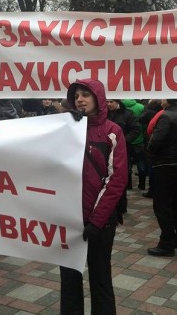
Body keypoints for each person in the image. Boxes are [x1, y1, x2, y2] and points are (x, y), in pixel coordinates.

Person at [60, 79, 127, 315]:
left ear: (98, 98)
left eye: (86, 94)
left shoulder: (112, 131)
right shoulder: (66, 129)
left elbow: (116, 179)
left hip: (101, 222)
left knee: (100, 278)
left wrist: (96, 221)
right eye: (76, 95)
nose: (80, 99)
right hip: (70, 219)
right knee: (69, 280)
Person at [146, 99, 177, 257]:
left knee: (162, 206)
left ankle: (166, 244)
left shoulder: (166, 116)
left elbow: (156, 141)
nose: (160, 99)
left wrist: (150, 154)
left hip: (165, 164)